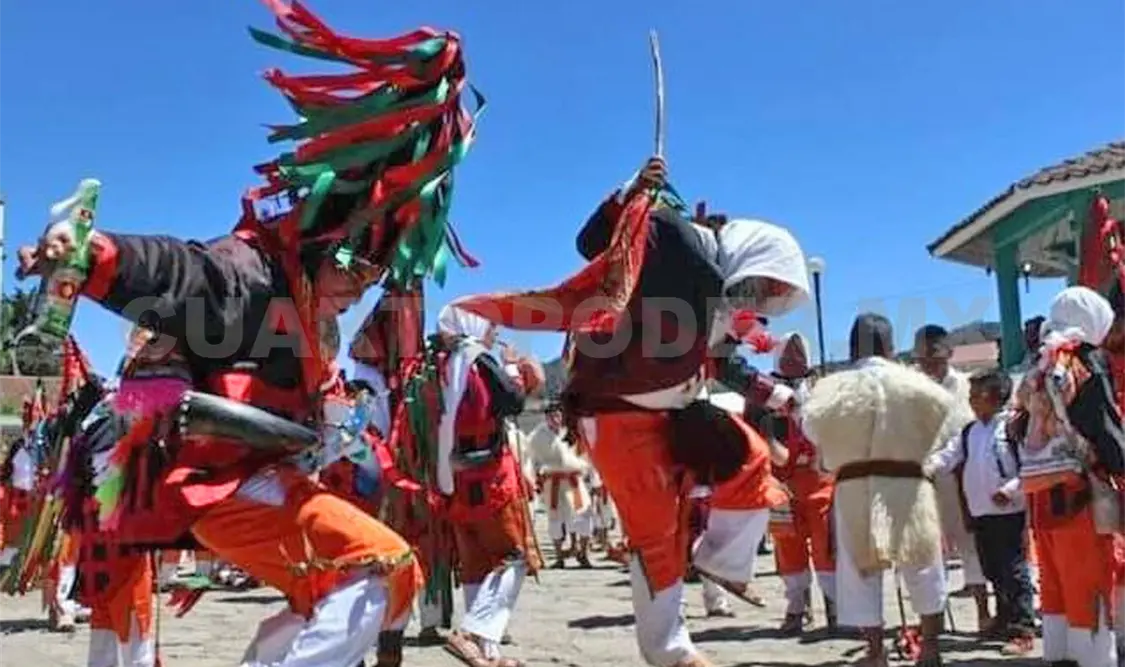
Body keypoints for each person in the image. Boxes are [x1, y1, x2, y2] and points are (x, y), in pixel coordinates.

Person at [14, 2, 496, 661]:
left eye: (379, 270)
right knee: (379, 565)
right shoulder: (252, 271)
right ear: (325, 238)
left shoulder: (312, 319)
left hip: (268, 479)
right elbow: (186, 276)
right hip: (216, 480)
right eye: (357, 260)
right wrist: (94, 255)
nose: (364, 282)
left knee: (350, 582)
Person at [803, 313, 951, 667]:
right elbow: (943, 425)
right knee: (923, 565)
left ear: (852, 347)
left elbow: (812, 431)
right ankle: (930, 647)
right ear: (889, 345)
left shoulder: (831, 388)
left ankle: (874, 652)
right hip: (907, 483)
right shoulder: (919, 385)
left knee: (859, 572)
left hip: (855, 486)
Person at [1009, 286, 1125, 667]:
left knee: (1057, 590)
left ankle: (1059, 656)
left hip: (1043, 501)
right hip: (1081, 500)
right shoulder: (1086, 362)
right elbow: (1106, 430)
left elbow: (1015, 429)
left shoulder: (1038, 366)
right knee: (1090, 588)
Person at [430, 305, 542, 667]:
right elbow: (512, 401)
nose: (494, 330)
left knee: (476, 561)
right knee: (513, 556)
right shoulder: (479, 358)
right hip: (488, 474)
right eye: (490, 323)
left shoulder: (438, 363)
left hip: (455, 474)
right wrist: (513, 368)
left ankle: (488, 654)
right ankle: (472, 632)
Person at [924, 369, 1035, 655]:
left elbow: (1029, 468)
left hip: (1009, 513)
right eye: (970, 396)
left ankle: (1023, 628)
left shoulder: (1013, 428)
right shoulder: (969, 431)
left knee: (1014, 570)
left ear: (997, 397)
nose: (972, 401)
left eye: (977, 396)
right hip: (981, 514)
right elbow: (948, 456)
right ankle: (1003, 619)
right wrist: (925, 469)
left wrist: (1009, 490)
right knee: (992, 569)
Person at [753, 332, 836, 635]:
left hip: (821, 480)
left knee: (827, 545)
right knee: (788, 546)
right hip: (781, 483)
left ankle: (834, 607)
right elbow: (759, 436)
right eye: (787, 354)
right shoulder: (763, 395)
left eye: (799, 353)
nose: (793, 359)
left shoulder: (823, 392)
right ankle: (797, 609)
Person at [912, 324, 989, 626]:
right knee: (930, 552)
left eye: (933, 354)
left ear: (949, 353)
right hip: (924, 483)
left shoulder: (968, 386)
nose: (928, 362)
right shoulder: (911, 391)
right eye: (922, 356)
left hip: (962, 481)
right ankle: (933, 620)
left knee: (971, 546)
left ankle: (984, 612)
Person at [527, 402, 593, 569]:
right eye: (551, 416)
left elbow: (585, 454)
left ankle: (583, 553)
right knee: (555, 519)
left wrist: (590, 475)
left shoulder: (572, 432)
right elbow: (531, 461)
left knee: (584, 514)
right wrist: (533, 479)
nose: (555, 419)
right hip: (552, 483)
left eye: (557, 415)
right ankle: (558, 556)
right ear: (546, 418)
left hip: (574, 480)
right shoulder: (538, 437)